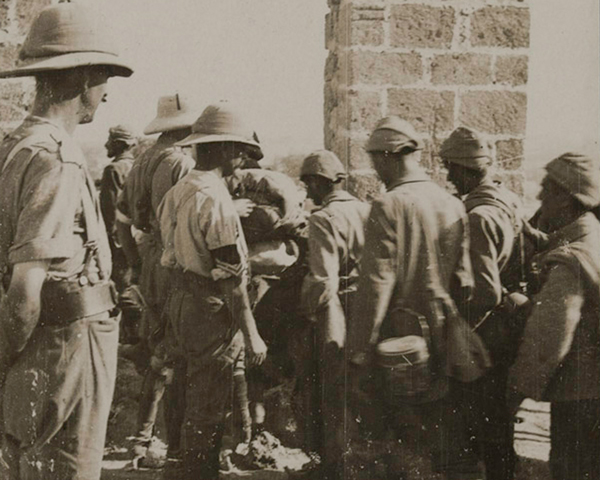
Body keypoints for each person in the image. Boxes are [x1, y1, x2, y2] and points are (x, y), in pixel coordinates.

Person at [0, 4, 132, 479]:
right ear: (80, 81)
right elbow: (24, 294)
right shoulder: (58, 158)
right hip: (63, 347)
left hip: (41, 349)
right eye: (102, 81)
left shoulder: (16, 146)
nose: (103, 95)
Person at [347, 116, 483, 480]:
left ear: (389, 156)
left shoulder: (388, 204)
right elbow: (465, 282)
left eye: (375, 159)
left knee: (399, 442)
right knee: (438, 436)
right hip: (442, 335)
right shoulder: (452, 203)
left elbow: (376, 284)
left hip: (398, 342)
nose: (375, 168)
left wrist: (360, 351)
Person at [157, 102, 267, 479]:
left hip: (181, 299)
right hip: (210, 305)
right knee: (209, 403)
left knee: (184, 390)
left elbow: (167, 252)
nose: (241, 155)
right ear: (219, 149)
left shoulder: (179, 190)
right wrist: (252, 336)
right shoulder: (216, 199)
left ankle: (180, 463)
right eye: (236, 147)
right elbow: (232, 281)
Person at [115, 94, 199, 462]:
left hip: (148, 259)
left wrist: (135, 263)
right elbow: (176, 223)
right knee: (175, 352)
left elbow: (121, 221)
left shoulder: (142, 160)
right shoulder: (179, 161)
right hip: (171, 262)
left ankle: (142, 439)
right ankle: (176, 445)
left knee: (155, 350)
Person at [508, 153, 600, 480]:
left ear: (565, 198)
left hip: (581, 396)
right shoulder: (592, 238)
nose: (539, 196)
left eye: (547, 189)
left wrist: (516, 392)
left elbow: (548, 340)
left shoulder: (571, 260)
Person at [439, 127, 524, 480]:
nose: (448, 176)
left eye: (451, 168)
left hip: (488, 334)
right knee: (498, 427)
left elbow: (485, 293)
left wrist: (459, 333)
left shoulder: (477, 216)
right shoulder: (509, 201)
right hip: (509, 323)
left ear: (466, 169)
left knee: (480, 430)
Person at [299, 150, 370, 480]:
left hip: (337, 308)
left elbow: (322, 278)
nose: (306, 191)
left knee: (332, 392)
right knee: (356, 394)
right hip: (366, 306)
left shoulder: (322, 219)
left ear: (318, 182)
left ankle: (333, 470)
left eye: (307, 184)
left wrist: (311, 312)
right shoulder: (365, 209)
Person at [100, 124, 138, 292]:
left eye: (110, 141)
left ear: (119, 144)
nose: (106, 145)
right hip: (136, 236)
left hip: (118, 241)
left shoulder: (113, 169)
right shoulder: (138, 167)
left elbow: (110, 213)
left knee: (121, 289)